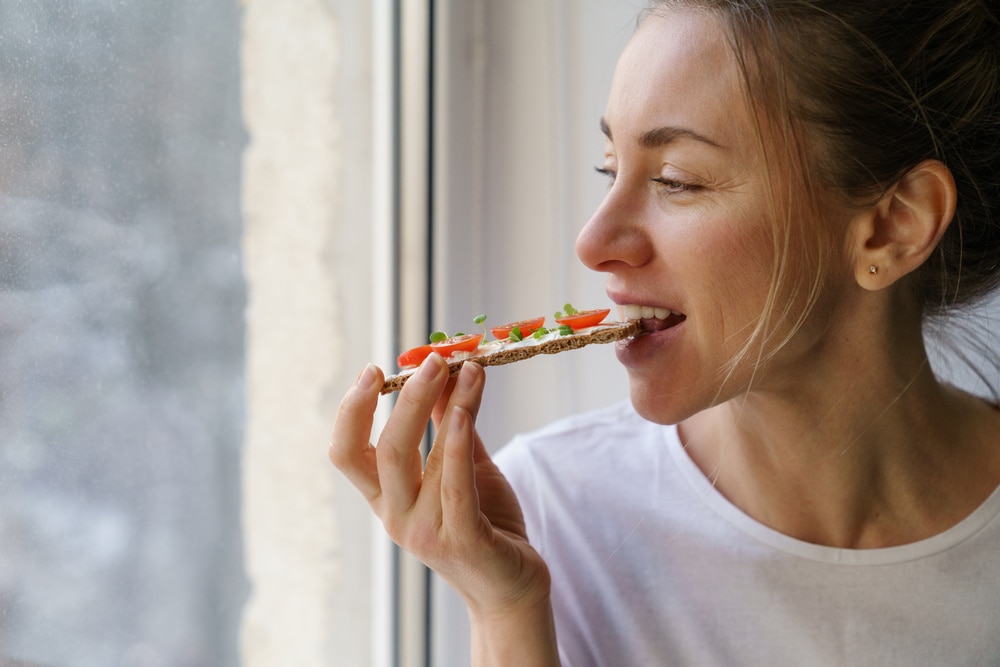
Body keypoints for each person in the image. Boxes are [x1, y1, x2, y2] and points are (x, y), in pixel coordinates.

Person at [330, 0, 1000, 664]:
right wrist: (504, 611)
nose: (593, 243)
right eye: (607, 167)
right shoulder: (546, 514)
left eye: (676, 180)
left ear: (894, 226)